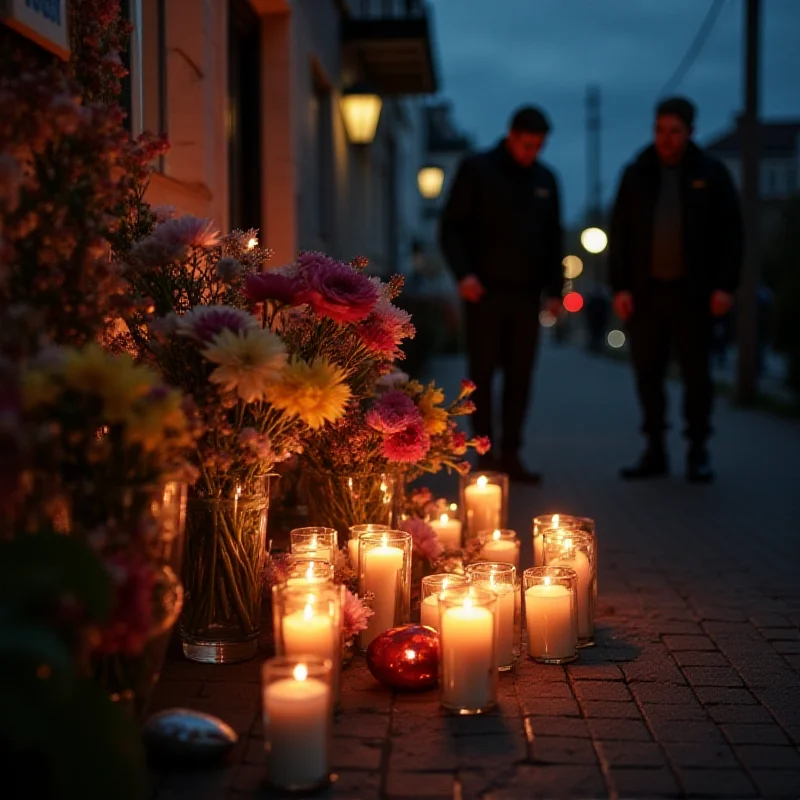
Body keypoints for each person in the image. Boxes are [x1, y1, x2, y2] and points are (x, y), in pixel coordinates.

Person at [608, 96, 742, 483]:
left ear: (689, 132)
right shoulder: (637, 174)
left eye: (674, 132)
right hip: (647, 295)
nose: (665, 139)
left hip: (695, 295)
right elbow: (620, 235)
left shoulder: (711, 174)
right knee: (648, 375)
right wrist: (620, 286)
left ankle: (698, 449)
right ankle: (655, 449)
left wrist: (725, 286)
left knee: (697, 376)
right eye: (660, 130)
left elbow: (731, 233)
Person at [439, 106, 564, 484]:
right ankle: (484, 454)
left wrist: (555, 290)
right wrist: (464, 275)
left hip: (526, 296)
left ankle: (511, 455)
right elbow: (451, 228)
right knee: (481, 375)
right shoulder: (478, 170)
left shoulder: (545, 179)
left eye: (538, 146)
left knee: (520, 377)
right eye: (527, 144)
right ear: (511, 135)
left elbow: (553, 239)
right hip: (484, 294)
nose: (531, 153)